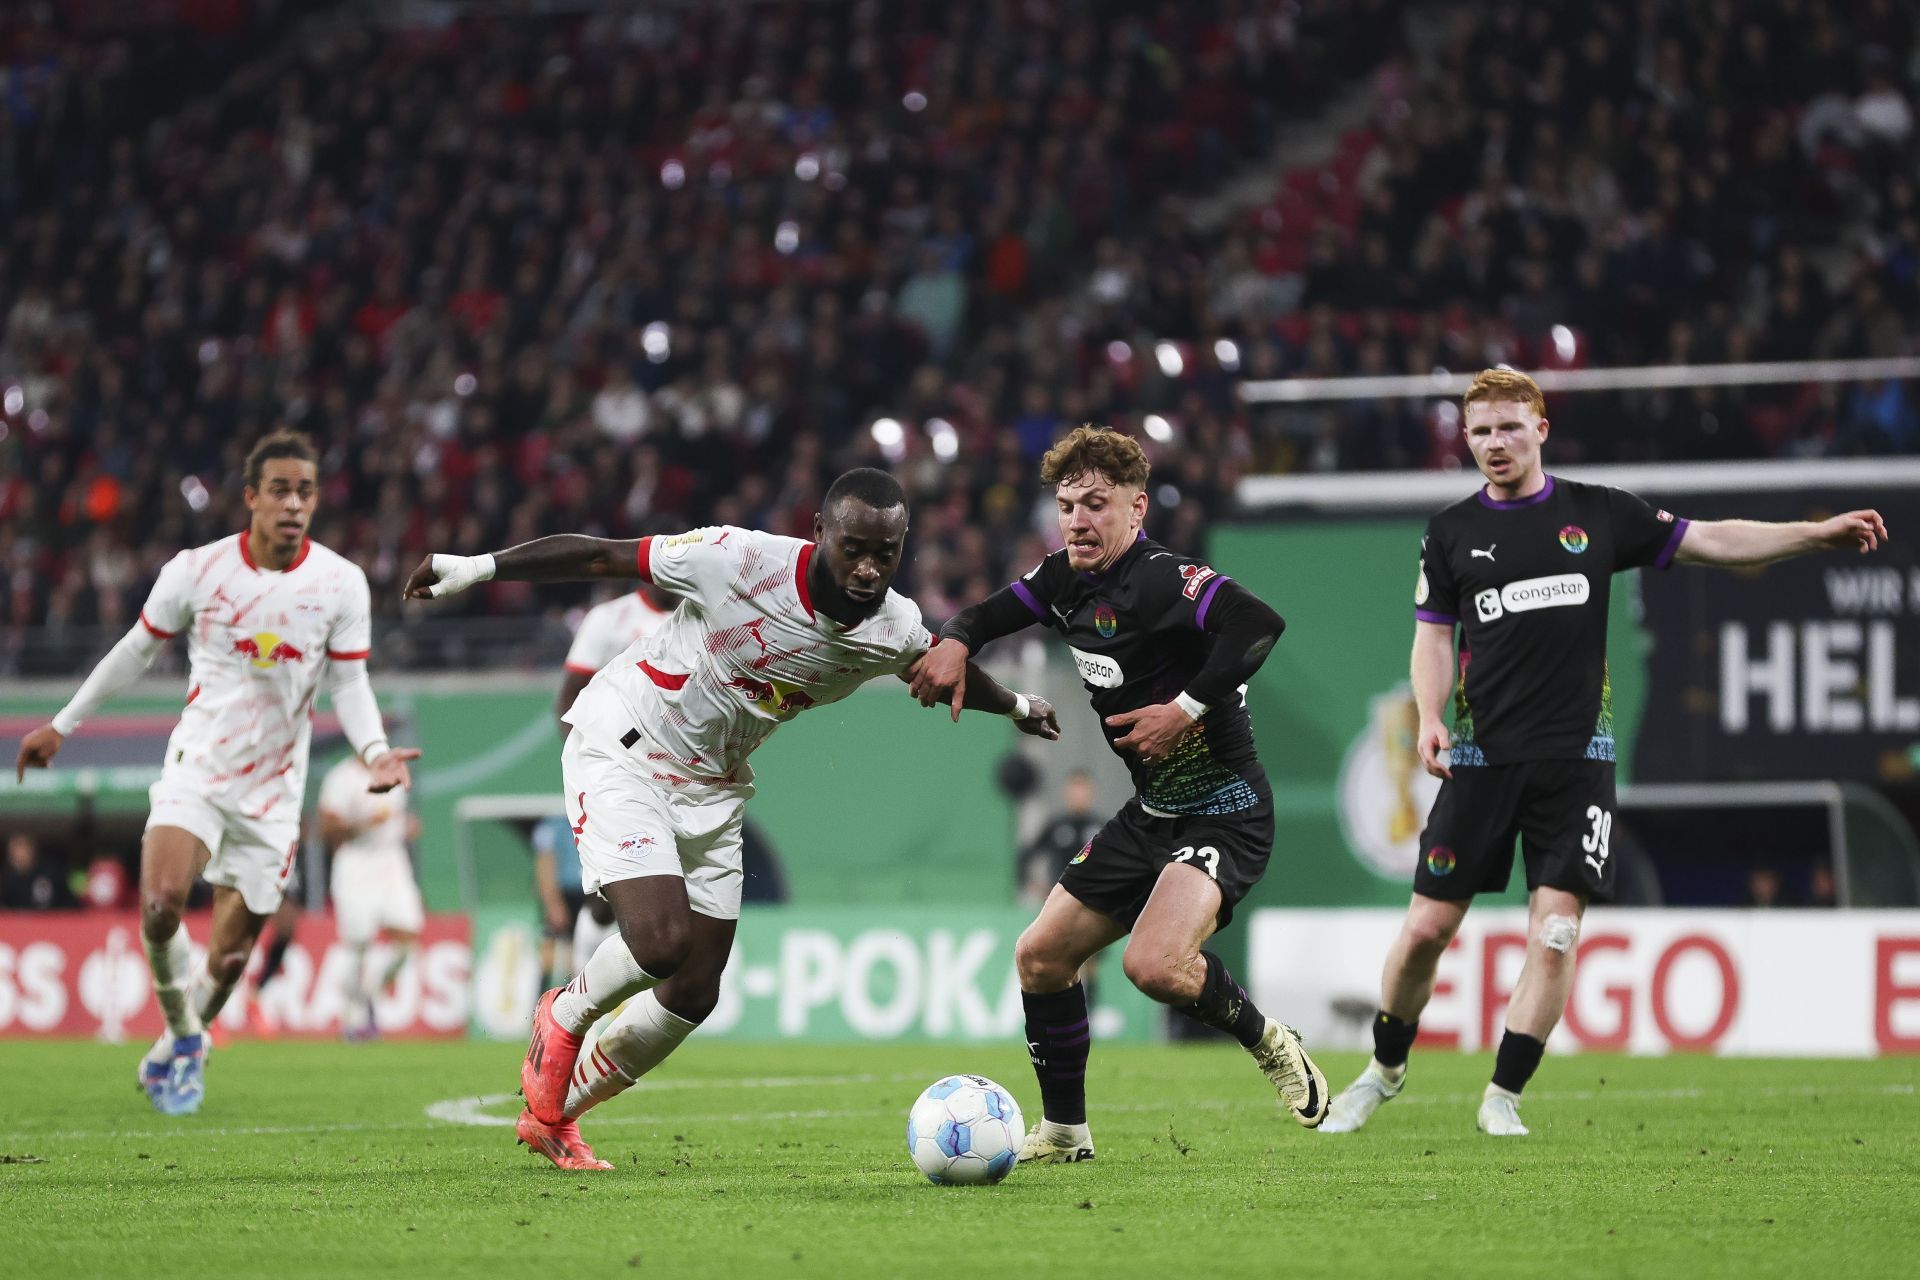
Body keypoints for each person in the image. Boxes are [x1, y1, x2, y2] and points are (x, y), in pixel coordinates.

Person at [405, 467, 1059, 1171]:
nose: (869, 568)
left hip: (714, 787)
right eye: (854, 548)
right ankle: (562, 1016)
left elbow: (939, 668)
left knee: (695, 990)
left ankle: (556, 1117)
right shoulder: (735, 559)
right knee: (659, 943)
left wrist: (1018, 707)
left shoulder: (893, 625)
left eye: (886, 552)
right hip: (626, 745)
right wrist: (476, 568)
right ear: (819, 533)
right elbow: (601, 554)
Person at [1321, 368, 1888, 1138]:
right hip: (1482, 761)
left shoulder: (1598, 513)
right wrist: (1428, 715)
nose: (1495, 443)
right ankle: (1384, 1072)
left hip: (1576, 760)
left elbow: (1713, 540)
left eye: (1509, 427)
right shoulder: (1451, 532)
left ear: (1540, 428)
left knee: (1555, 932)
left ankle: (1502, 1097)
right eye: (1481, 430)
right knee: (1425, 931)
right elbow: (1432, 635)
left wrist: (1814, 534)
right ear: (1466, 439)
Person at [911, 425, 1329, 1165]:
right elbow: (986, 615)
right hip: (1152, 814)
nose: (1077, 519)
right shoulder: (1064, 578)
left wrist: (1186, 710)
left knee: (1154, 965)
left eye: (1096, 504)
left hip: (1226, 809)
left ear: (1136, 510)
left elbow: (1260, 624)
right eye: (1067, 504)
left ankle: (1269, 1040)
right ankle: (1067, 1132)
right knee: (1039, 956)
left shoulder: (1165, 577)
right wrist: (953, 639)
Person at [14, 431, 417, 1115]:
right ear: (252, 498)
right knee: (160, 903)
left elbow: (349, 685)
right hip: (198, 768)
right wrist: (64, 723)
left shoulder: (340, 583)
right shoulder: (197, 571)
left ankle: (175, 1043)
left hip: (274, 794)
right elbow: (135, 650)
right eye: (281, 490)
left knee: (229, 962)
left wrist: (374, 749)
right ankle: (184, 1037)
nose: (294, 504)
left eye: (306, 492)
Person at [542, 568, 678, 984]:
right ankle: (581, 1000)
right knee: (608, 896)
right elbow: (569, 697)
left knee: (670, 898)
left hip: (677, 773)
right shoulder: (609, 619)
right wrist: (589, 765)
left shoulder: (698, 615)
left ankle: (624, 1005)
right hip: (613, 771)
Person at [318, 751, 426, 1039]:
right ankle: (354, 1014)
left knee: (408, 939)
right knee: (359, 944)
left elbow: (398, 817)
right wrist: (365, 822)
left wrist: (405, 826)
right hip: (355, 863)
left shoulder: (393, 770)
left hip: (391, 861)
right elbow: (327, 828)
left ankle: (368, 995)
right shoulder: (341, 778)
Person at [1018, 770, 1103, 908]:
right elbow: (1027, 855)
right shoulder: (1055, 826)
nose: (1079, 794)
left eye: (1084, 789)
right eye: (1075, 789)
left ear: (1092, 792)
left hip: (1091, 903)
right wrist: (1033, 885)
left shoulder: (1102, 827)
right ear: (1067, 792)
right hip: (1058, 902)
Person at [1, 834, 77, 910]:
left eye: (23, 849)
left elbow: (68, 903)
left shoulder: (51, 873)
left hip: (51, 919)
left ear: (32, 850)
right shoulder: (7, 878)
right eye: (14, 852)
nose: (20, 856)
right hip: (18, 920)